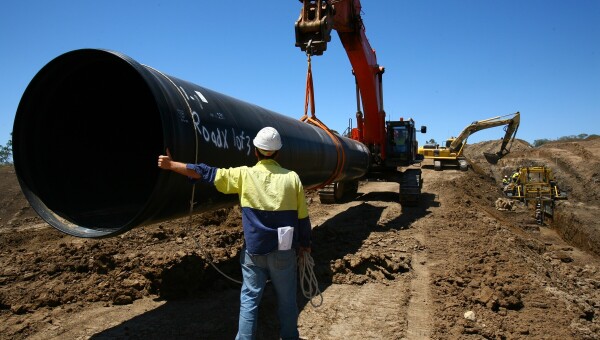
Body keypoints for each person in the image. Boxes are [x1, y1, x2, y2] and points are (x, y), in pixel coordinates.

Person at [157, 126, 312, 340]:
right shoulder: (292, 178)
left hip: (254, 252)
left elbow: (205, 172)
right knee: (287, 301)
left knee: (249, 301)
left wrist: (171, 165)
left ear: (255, 150)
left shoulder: (244, 175)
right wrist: (305, 245)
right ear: (278, 152)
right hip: (284, 253)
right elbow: (303, 218)